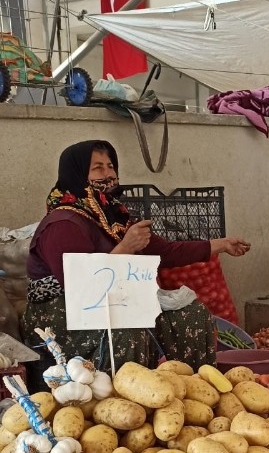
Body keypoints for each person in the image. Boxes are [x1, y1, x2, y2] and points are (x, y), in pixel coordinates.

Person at [22, 140, 250, 383]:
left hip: (113, 301)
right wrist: (126, 247)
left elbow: (166, 252)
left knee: (190, 314)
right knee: (128, 328)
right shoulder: (63, 223)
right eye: (98, 168)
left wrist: (221, 245)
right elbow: (81, 287)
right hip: (64, 312)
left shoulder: (112, 215)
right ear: (76, 173)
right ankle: (123, 403)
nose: (108, 174)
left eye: (110, 166)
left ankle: (189, 389)